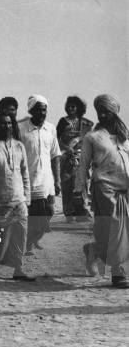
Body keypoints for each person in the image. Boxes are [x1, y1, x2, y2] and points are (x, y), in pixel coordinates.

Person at [75, 94, 129, 288]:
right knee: (114, 228)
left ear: (115, 112)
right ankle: (117, 272)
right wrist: (79, 190)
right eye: (100, 111)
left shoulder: (125, 136)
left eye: (106, 111)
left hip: (125, 188)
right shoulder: (92, 137)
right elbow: (84, 166)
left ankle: (94, 250)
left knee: (123, 230)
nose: (102, 115)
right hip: (104, 187)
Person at [0, 111, 33, 280]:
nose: (7, 126)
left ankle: (19, 269)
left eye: (9, 123)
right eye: (2, 123)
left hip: (19, 201)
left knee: (20, 236)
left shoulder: (19, 146)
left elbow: (25, 173)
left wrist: (27, 197)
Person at [18, 95, 61, 253]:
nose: (42, 113)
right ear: (31, 111)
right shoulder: (21, 128)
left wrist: (57, 181)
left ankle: (32, 240)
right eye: (38, 110)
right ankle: (27, 243)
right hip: (29, 181)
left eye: (44, 110)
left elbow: (55, 155)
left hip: (47, 182)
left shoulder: (51, 128)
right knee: (31, 217)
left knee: (48, 214)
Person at [57, 96, 93, 221]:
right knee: (67, 185)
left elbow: (90, 141)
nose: (71, 108)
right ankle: (69, 213)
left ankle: (82, 211)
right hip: (67, 157)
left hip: (82, 158)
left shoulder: (86, 124)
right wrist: (67, 149)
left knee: (82, 184)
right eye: (69, 106)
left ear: (79, 108)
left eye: (73, 106)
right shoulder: (63, 121)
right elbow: (56, 140)